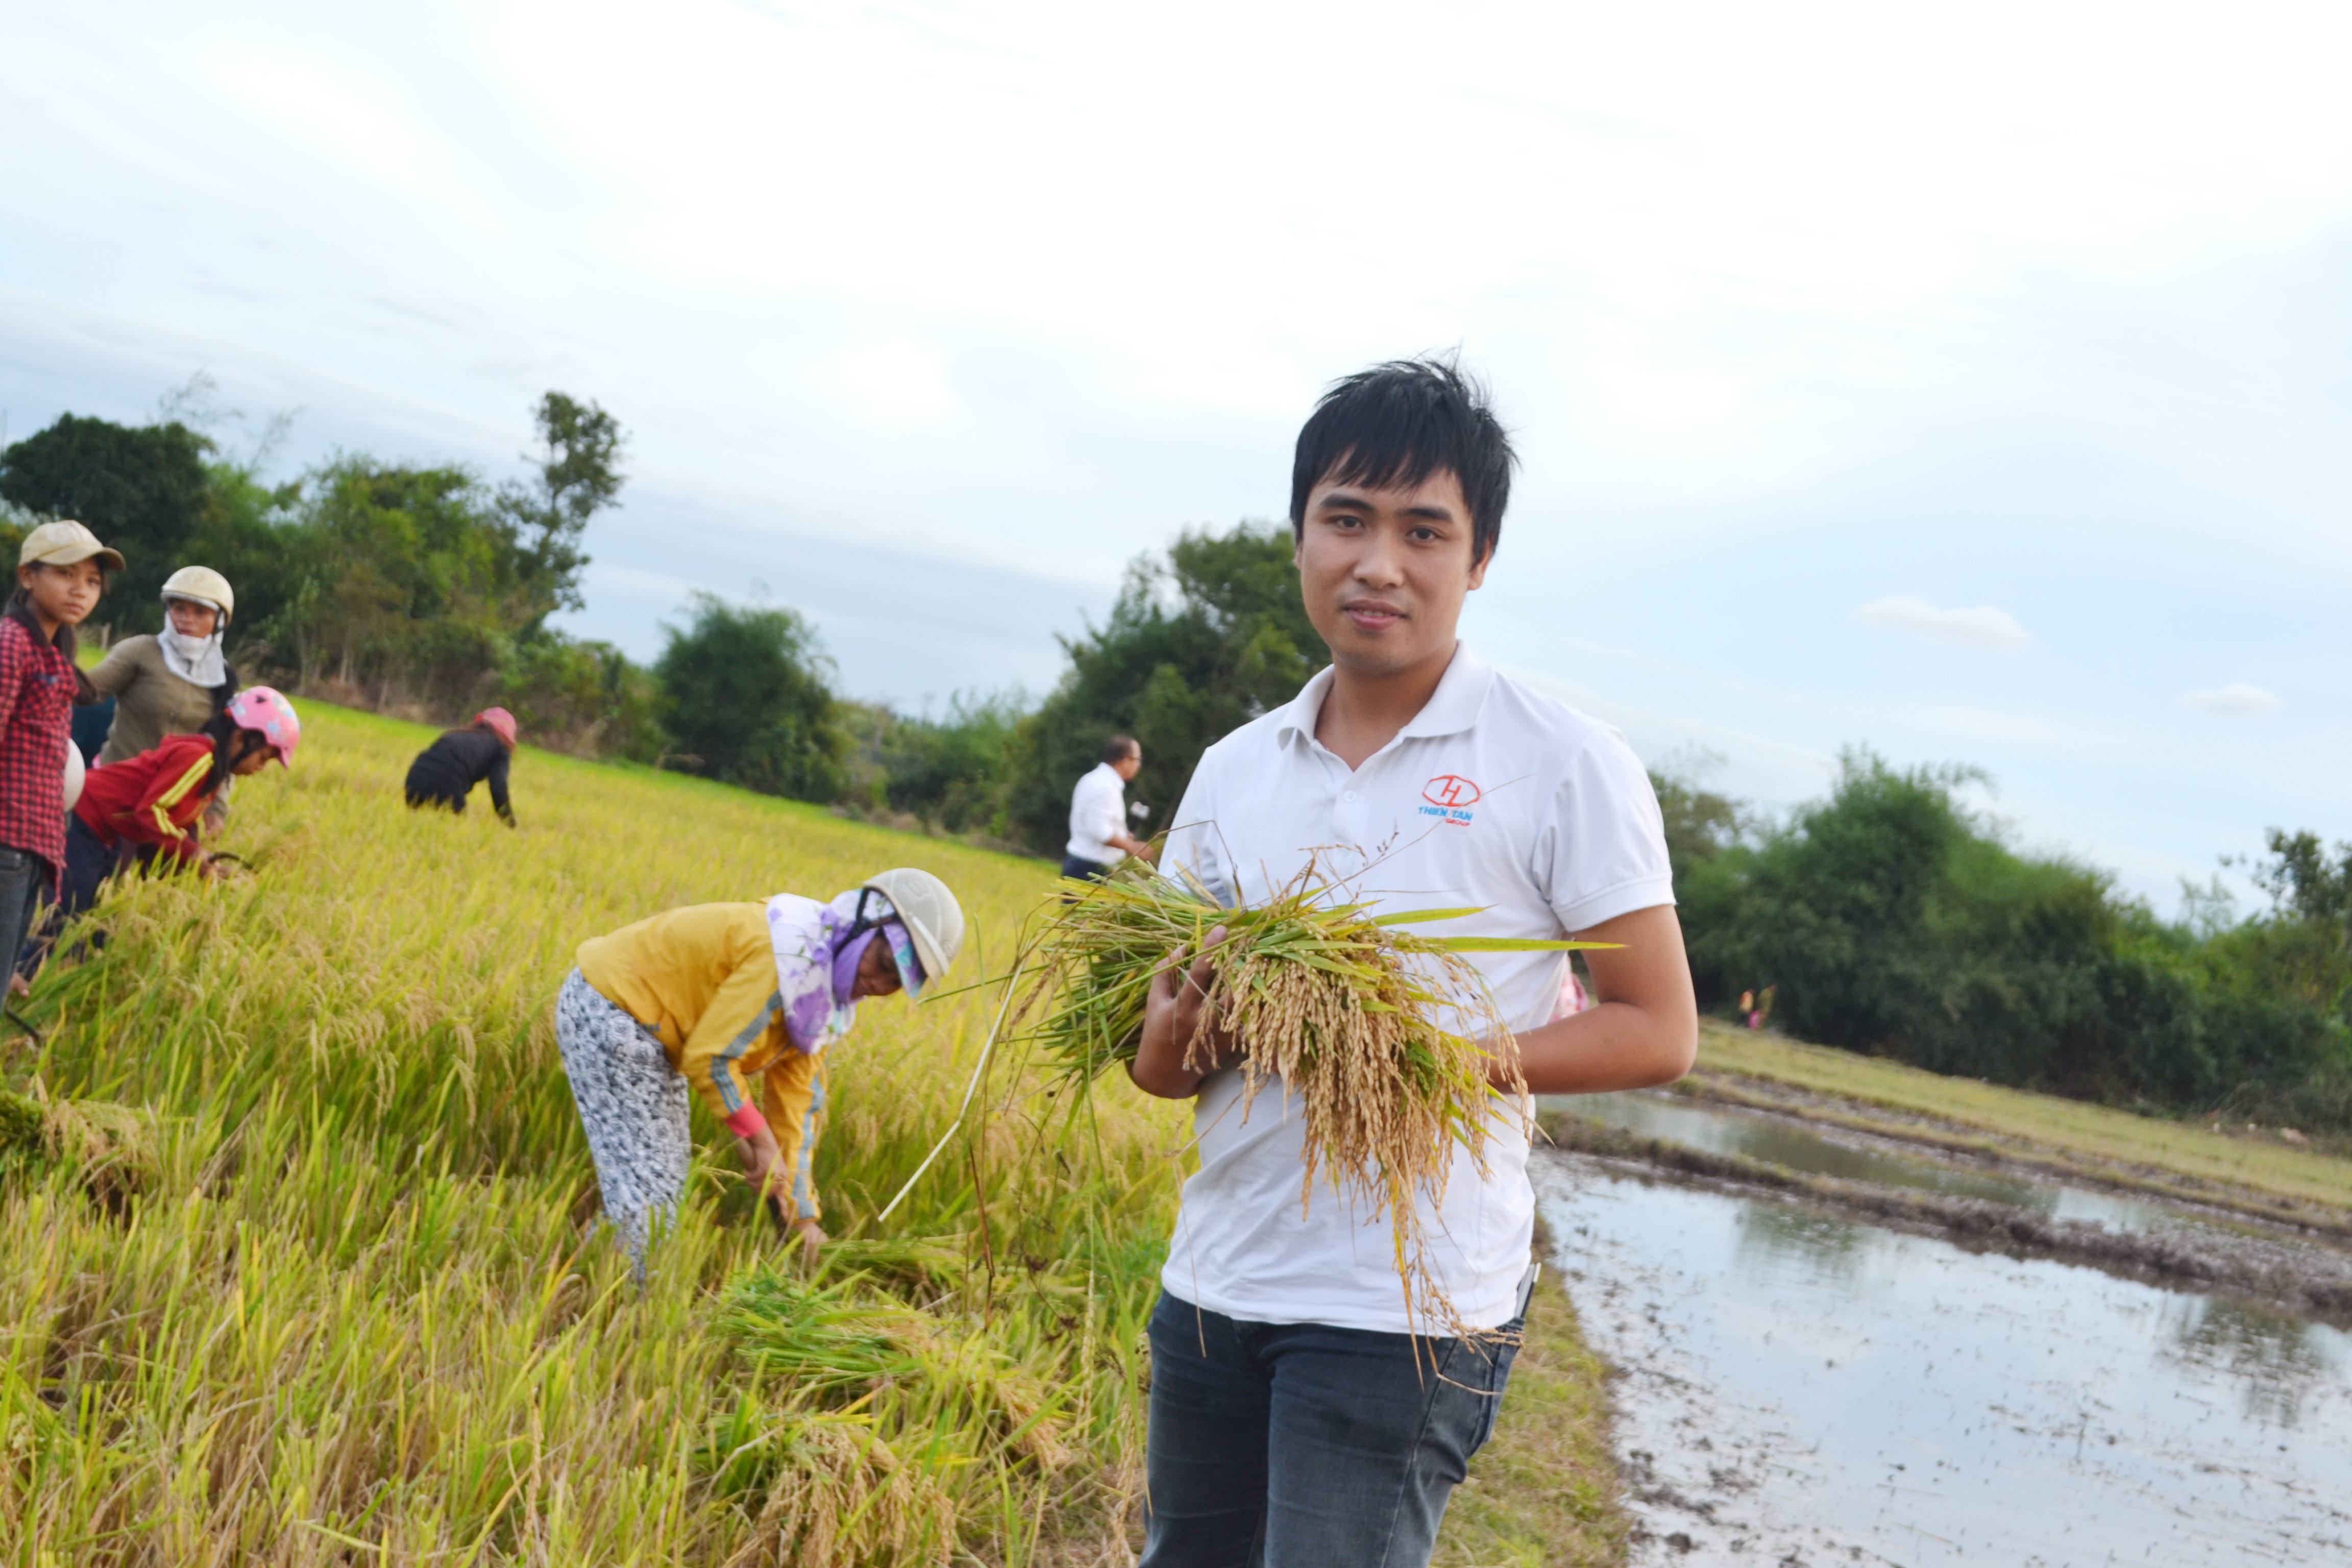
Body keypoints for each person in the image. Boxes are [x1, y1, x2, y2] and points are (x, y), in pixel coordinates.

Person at [1130, 359, 1700, 1568]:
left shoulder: (1561, 760)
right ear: (1299, 536)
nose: (1377, 562)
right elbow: (1160, 1063)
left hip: (1406, 1308)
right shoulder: (1237, 767)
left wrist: (1437, 1055)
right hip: (1217, 1284)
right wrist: (1184, 1034)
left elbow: (1657, 1026)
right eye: (1345, 519)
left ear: (1478, 555)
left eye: (1421, 530)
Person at [554, 867, 965, 1280]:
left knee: (658, 1188)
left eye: (897, 981)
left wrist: (803, 1219)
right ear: (862, 924)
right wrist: (758, 1139)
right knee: (652, 1200)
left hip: (653, 1034)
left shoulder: (820, 1005)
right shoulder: (786, 958)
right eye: (883, 962)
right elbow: (711, 1059)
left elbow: (795, 1106)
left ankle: (588, 1280)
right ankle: (620, 1306)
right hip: (612, 1009)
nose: (878, 984)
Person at [49, 687, 300, 928]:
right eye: (264, 757)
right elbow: (152, 810)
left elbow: (178, 820)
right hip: (83, 818)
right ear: (240, 739)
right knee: (69, 917)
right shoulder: (199, 758)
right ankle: (27, 968)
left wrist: (202, 860)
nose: (261, 767)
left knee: (97, 919)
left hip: (108, 832)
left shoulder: (214, 773)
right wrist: (191, 853)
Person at [0, 521, 120, 996]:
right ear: (28, 576)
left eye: (92, 581)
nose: (81, 590)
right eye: (66, 575)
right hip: (7, 836)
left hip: (34, 842)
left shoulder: (50, 653)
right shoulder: (12, 643)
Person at [86, 566, 242, 835]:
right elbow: (83, 692)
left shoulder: (223, 679)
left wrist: (216, 810)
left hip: (174, 807)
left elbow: (224, 751)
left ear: (219, 621)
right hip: (116, 791)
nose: (186, 619)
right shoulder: (140, 651)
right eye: (179, 608)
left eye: (200, 612)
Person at [404, 708, 518, 826]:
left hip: (414, 779)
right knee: (453, 834)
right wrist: (510, 824)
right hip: (447, 785)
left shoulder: (458, 734)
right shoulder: (500, 748)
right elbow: (498, 787)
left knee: (416, 828)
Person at [1063, 735, 1154, 881]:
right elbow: (1099, 831)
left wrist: (1121, 834)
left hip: (1080, 865)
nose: (1138, 765)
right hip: (1090, 870)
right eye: (1137, 760)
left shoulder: (1091, 779)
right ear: (1125, 761)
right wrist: (1132, 847)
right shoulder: (1106, 787)